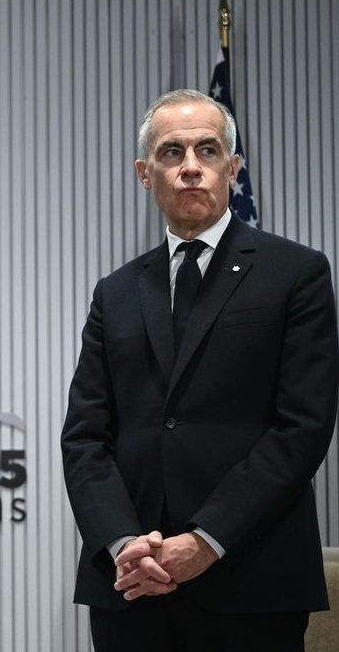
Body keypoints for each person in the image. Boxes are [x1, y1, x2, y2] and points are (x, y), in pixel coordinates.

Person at [61, 89, 339, 651]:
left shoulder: (296, 274)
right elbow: (85, 438)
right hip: (132, 586)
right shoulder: (114, 293)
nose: (191, 167)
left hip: (250, 579)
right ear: (145, 173)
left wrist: (206, 541)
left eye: (208, 151)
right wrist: (122, 544)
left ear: (233, 168)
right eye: (171, 152)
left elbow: (301, 427)